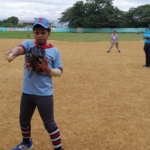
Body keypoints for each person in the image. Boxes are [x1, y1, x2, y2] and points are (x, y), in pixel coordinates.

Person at [5, 17, 64, 150]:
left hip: (44, 94)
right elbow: (19, 49)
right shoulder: (29, 44)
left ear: (49, 33)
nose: (39, 36)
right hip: (27, 92)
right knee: (24, 121)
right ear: (33, 33)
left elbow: (59, 72)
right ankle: (26, 144)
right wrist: (13, 53)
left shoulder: (54, 51)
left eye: (43, 33)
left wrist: (47, 69)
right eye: (37, 32)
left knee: (49, 124)